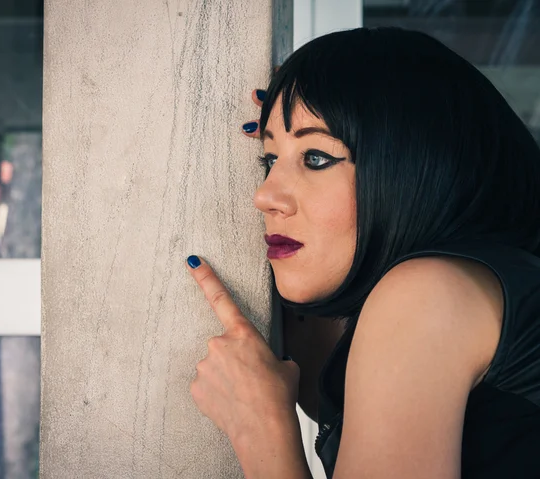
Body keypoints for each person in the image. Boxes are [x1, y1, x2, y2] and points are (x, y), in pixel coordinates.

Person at [185, 26, 540, 479]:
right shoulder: (478, 288)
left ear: (410, 165)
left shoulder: (428, 295)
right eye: (270, 159)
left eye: (316, 158)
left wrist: (261, 428)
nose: (265, 195)